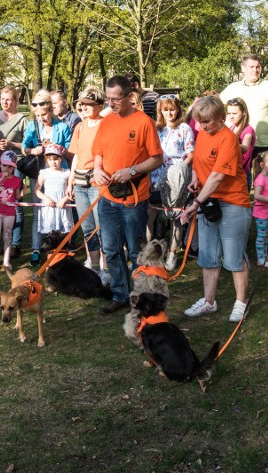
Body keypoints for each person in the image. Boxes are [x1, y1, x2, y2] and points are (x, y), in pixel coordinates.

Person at [92, 75, 164, 315]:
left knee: (135, 250)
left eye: (115, 99)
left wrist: (132, 170)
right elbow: (98, 152)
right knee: (111, 248)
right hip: (107, 197)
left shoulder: (144, 122)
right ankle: (120, 294)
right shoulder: (106, 122)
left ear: (129, 96)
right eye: (107, 99)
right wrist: (97, 169)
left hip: (134, 198)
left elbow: (157, 158)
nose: (110, 104)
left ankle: (141, 295)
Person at [178, 96, 251, 323]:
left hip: (232, 202)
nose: (202, 126)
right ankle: (209, 301)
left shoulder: (228, 139)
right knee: (208, 254)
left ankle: (241, 303)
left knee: (234, 256)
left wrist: (195, 204)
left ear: (221, 117)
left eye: (207, 121)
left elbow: (218, 175)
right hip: (208, 200)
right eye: (200, 121)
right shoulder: (202, 135)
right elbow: (200, 164)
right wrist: (195, 178)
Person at [21, 89, 72, 266]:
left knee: (60, 209)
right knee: (38, 211)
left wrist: (56, 148)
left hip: (58, 175)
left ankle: (61, 248)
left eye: (45, 114)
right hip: (39, 173)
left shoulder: (63, 127)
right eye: (38, 115)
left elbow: (69, 151)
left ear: (51, 110)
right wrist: (32, 150)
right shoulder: (32, 126)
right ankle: (36, 248)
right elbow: (24, 148)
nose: (42, 118)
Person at [220, 54, 268, 159]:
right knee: (240, 175)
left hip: (262, 144)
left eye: (257, 67)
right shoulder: (233, 88)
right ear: (243, 68)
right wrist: (227, 123)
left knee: (263, 176)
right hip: (239, 142)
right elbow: (216, 107)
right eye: (251, 67)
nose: (255, 70)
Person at [67, 86, 108, 279]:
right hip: (80, 182)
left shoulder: (105, 125)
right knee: (88, 228)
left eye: (89, 104)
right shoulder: (80, 126)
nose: (85, 107)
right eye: (82, 104)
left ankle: (107, 269)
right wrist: (70, 180)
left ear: (99, 105)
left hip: (96, 182)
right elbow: (75, 155)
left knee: (103, 228)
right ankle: (94, 267)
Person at [153, 93, 195, 271]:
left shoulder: (185, 128)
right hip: (157, 174)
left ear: (178, 109)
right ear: (160, 111)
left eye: (172, 109)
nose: (169, 113)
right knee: (155, 214)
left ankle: (172, 252)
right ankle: (155, 252)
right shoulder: (156, 129)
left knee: (175, 215)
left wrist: (179, 169)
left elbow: (191, 153)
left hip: (177, 175)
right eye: (166, 110)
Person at [0, 85, 29, 259]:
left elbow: (29, 145)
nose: (5, 102)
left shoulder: (22, 119)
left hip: (15, 167)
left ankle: (14, 243)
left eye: (9, 99)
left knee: (14, 204)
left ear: (16, 100)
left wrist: (11, 145)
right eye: (2, 99)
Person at [0, 150, 23, 272]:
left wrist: (22, 194)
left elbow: (17, 196)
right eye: (4, 165)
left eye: (10, 166)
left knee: (7, 236)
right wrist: (2, 178)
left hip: (10, 212)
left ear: (14, 167)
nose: (7, 168)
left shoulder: (17, 180)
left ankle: (6, 261)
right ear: (0, 164)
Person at [36, 144, 73, 236]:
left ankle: (64, 249)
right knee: (50, 233)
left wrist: (64, 200)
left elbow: (72, 189)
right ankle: (51, 248)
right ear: (46, 161)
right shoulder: (44, 173)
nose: (53, 162)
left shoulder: (67, 173)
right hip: (49, 206)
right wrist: (46, 199)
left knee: (64, 233)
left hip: (63, 205)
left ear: (61, 159)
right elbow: (37, 190)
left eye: (55, 159)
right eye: (50, 159)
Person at [224, 97, 256, 189]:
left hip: (243, 174)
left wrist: (226, 142)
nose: (231, 116)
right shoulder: (232, 128)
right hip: (231, 171)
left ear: (244, 113)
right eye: (229, 113)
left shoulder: (248, 130)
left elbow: (245, 147)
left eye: (234, 113)